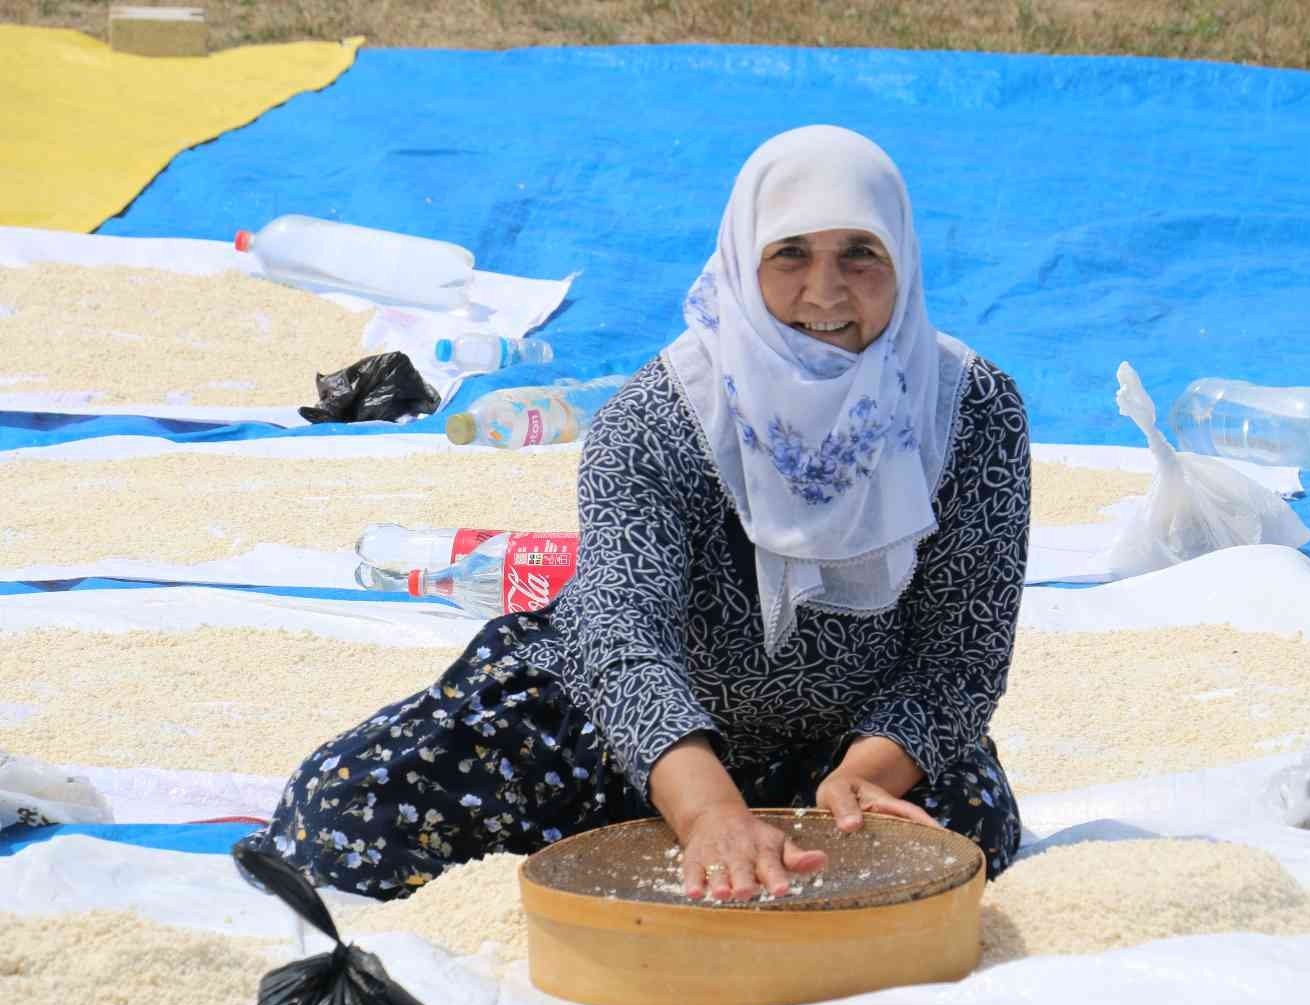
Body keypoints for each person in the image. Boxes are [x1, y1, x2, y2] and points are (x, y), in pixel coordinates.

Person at [240, 125, 1030, 903]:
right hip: (636, 733)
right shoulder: (662, 416)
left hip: (850, 744)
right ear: (741, 260)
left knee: (967, 833)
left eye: (860, 253)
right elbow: (621, 630)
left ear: (904, 259)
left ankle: (754, 827)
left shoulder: (966, 409)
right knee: (341, 815)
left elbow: (961, 650)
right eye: (789, 254)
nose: (824, 291)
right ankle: (703, 827)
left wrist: (864, 777)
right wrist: (707, 809)